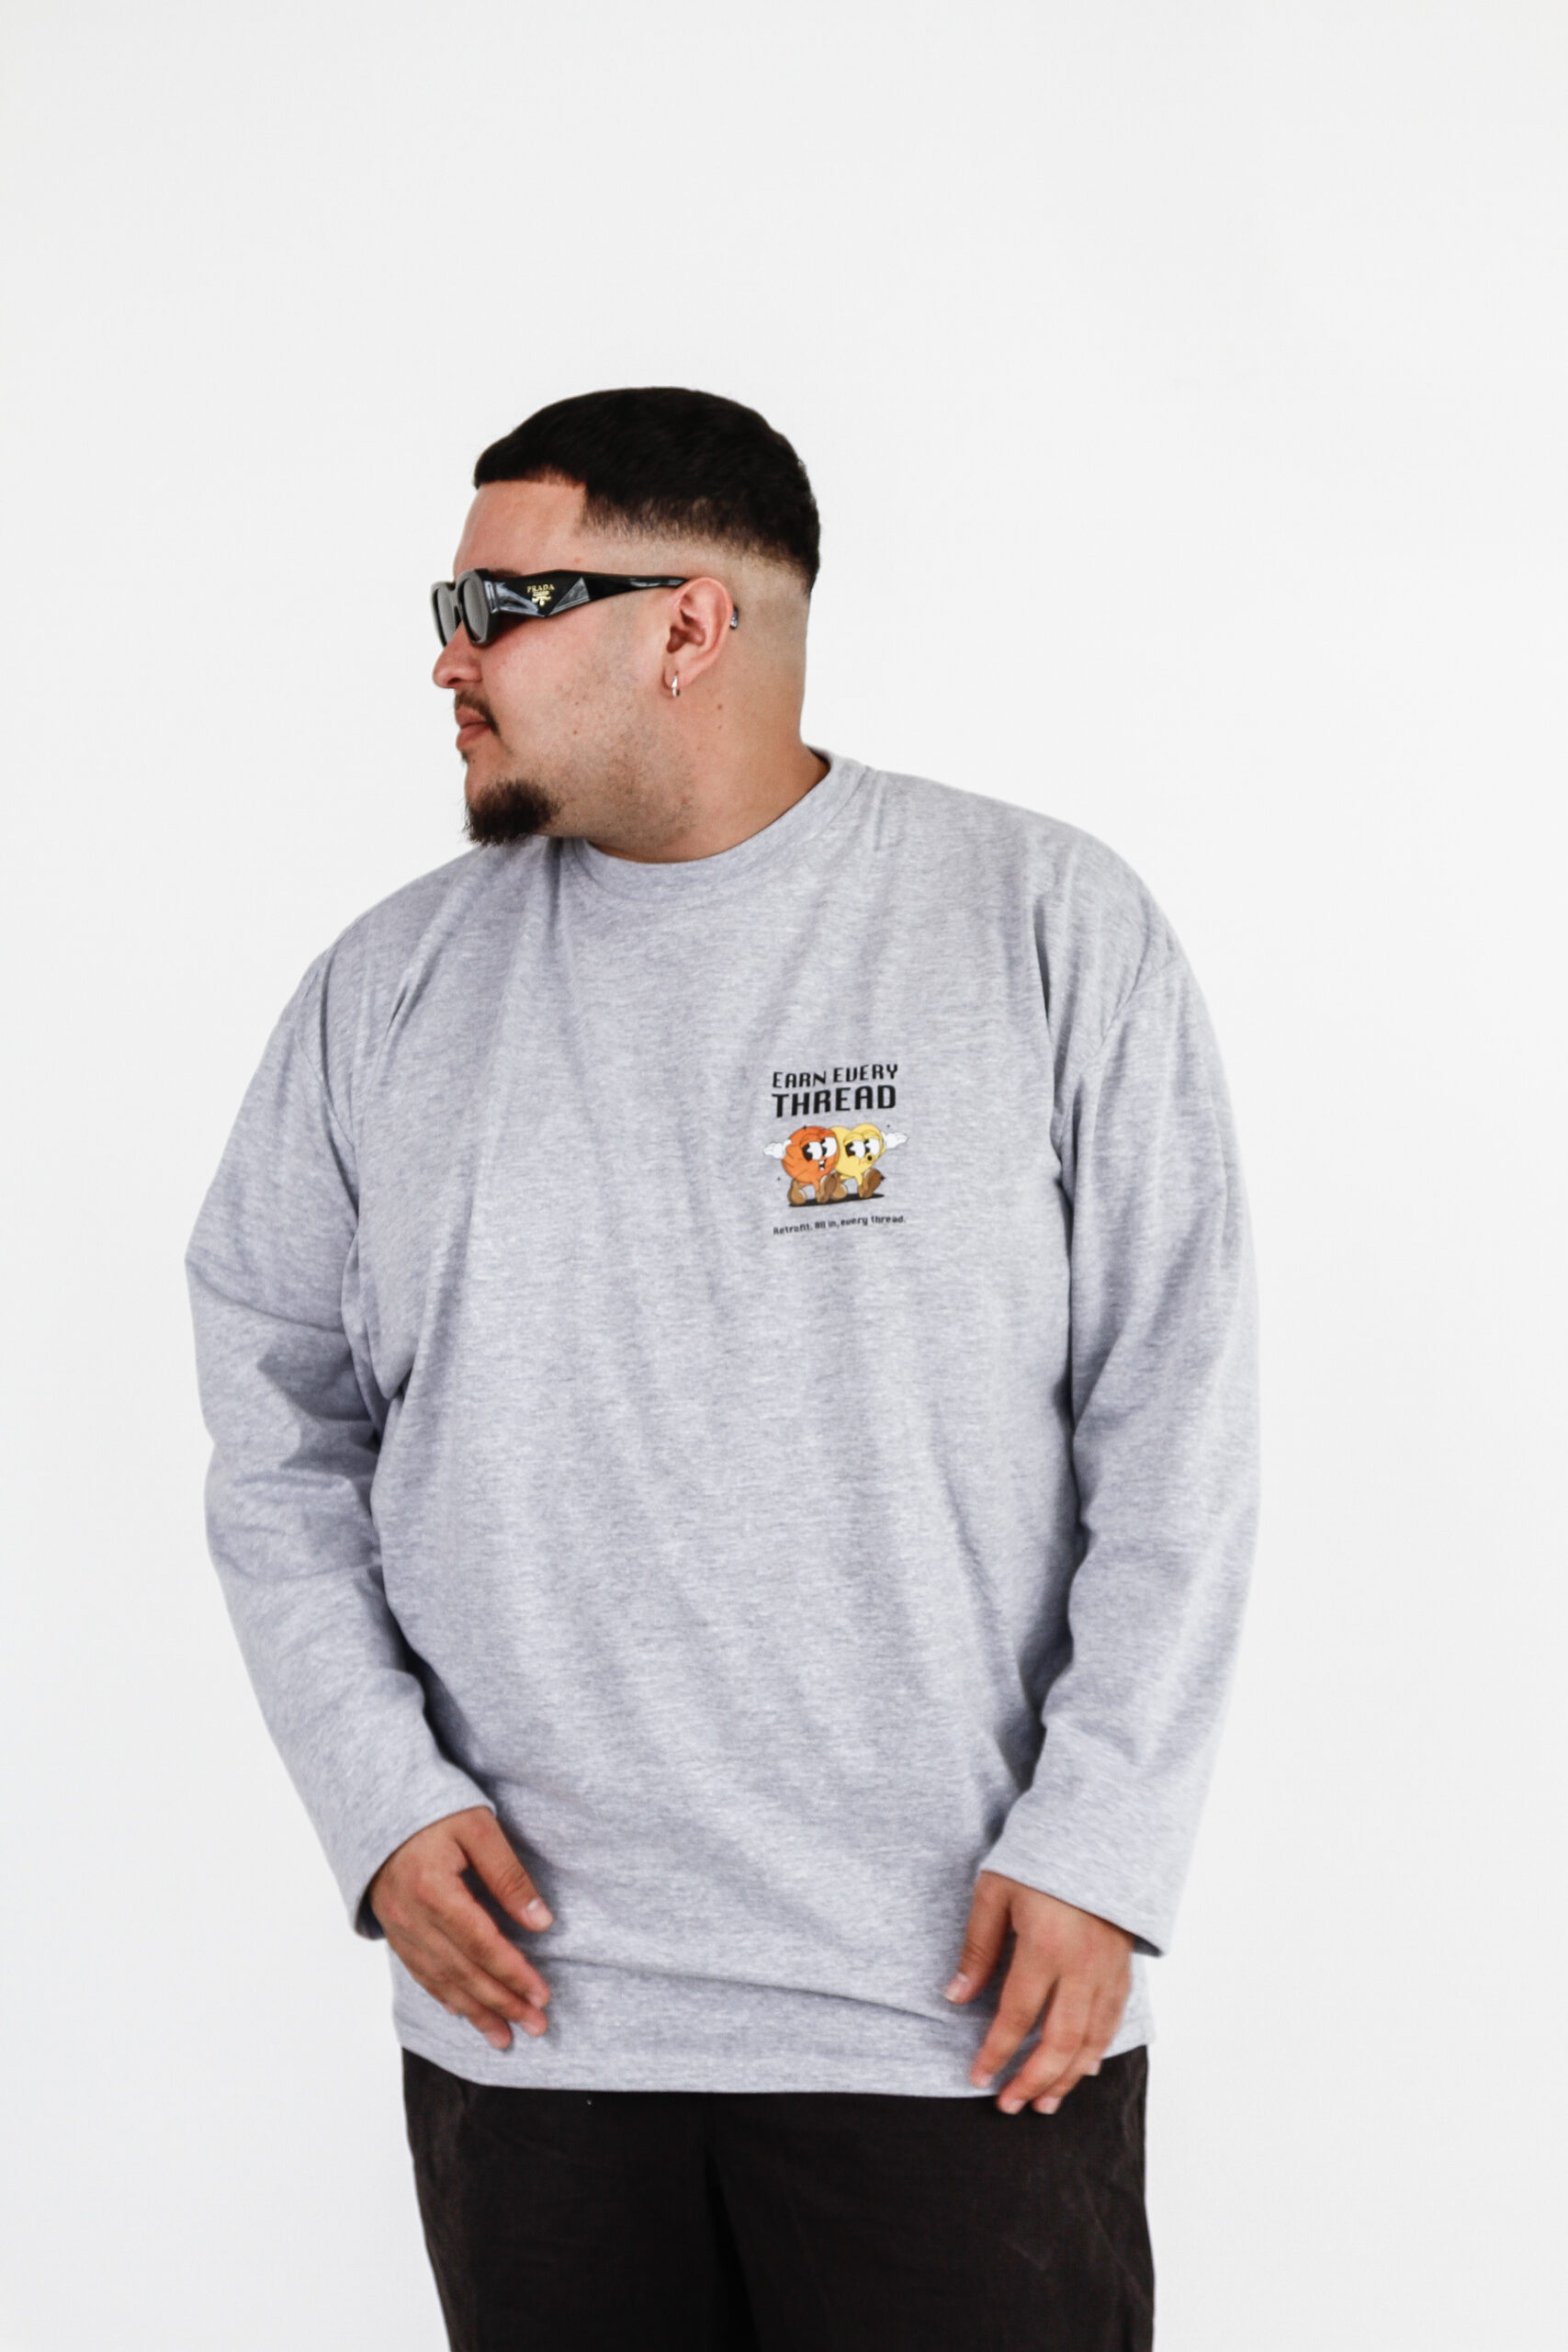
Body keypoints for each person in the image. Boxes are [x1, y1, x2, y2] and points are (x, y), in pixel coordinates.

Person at [186, 385, 1258, 2350]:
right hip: (534, 2034)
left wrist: (1103, 1844)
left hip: (951, 2018)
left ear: (689, 624)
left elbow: (1174, 1417)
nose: (447, 657)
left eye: (497, 604)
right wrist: (376, 1796)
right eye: (445, 606)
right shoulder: (385, 989)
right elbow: (276, 1419)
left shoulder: (1039, 923)